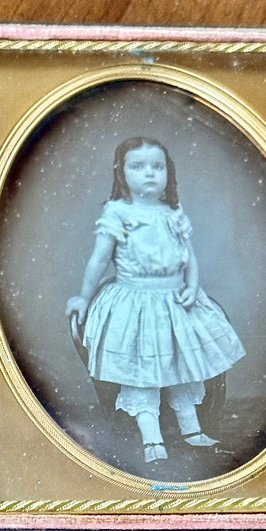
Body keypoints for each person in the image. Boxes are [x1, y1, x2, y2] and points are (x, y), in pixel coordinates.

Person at [65, 137, 245, 463]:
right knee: (144, 373)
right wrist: (83, 296)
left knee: (182, 368)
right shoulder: (118, 213)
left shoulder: (172, 213)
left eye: (158, 167)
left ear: (168, 172)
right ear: (121, 173)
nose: (150, 173)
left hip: (173, 302)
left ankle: (191, 430)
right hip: (136, 304)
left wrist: (192, 285)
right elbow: (99, 260)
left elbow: (188, 257)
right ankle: (152, 440)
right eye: (138, 166)